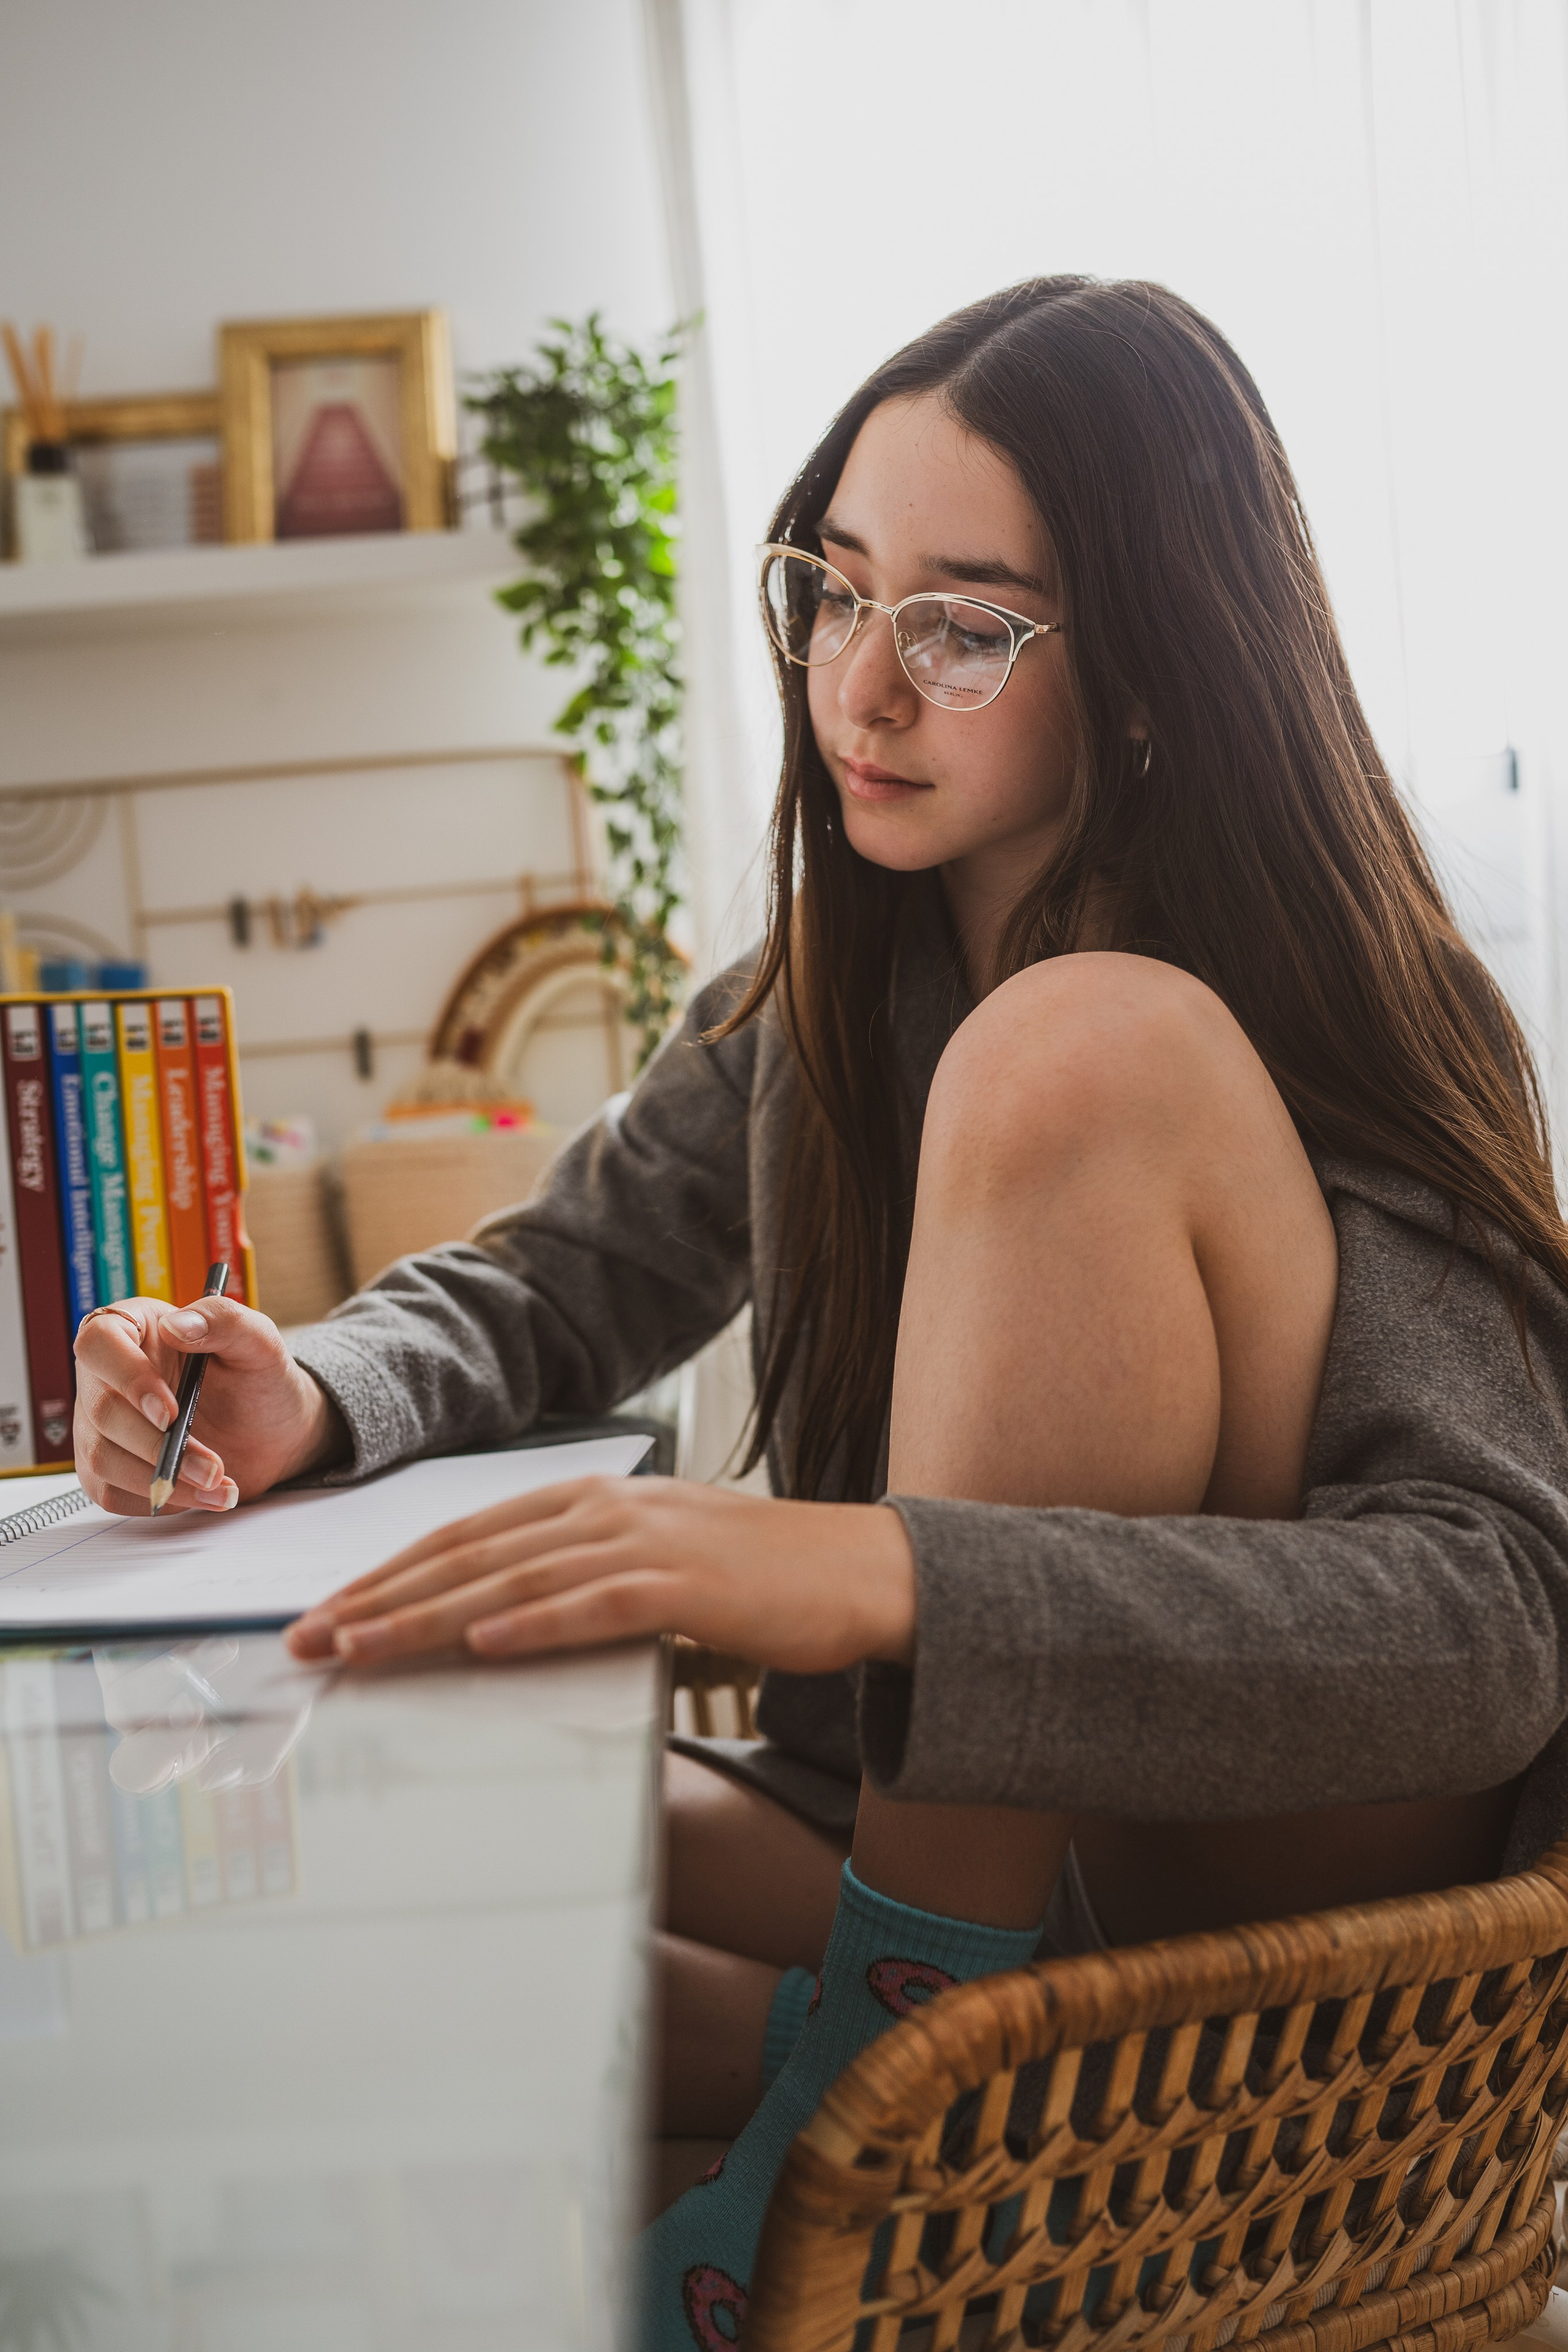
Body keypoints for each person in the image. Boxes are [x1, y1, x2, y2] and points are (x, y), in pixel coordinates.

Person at [72, 278, 1568, 2349]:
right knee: (367, 1788)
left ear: (1145, 678)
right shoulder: (813, 1002)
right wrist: (301, 1388)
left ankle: (877, 2192)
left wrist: (886, 1577)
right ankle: (949, 2111)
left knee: (1074, 1050)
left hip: (1291, 1921)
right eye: (831, 591)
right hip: (995, 1893)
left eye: (964, 626)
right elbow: (551, 1281)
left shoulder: (1304, 1004)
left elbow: (1494, 1633)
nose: (861, 688)